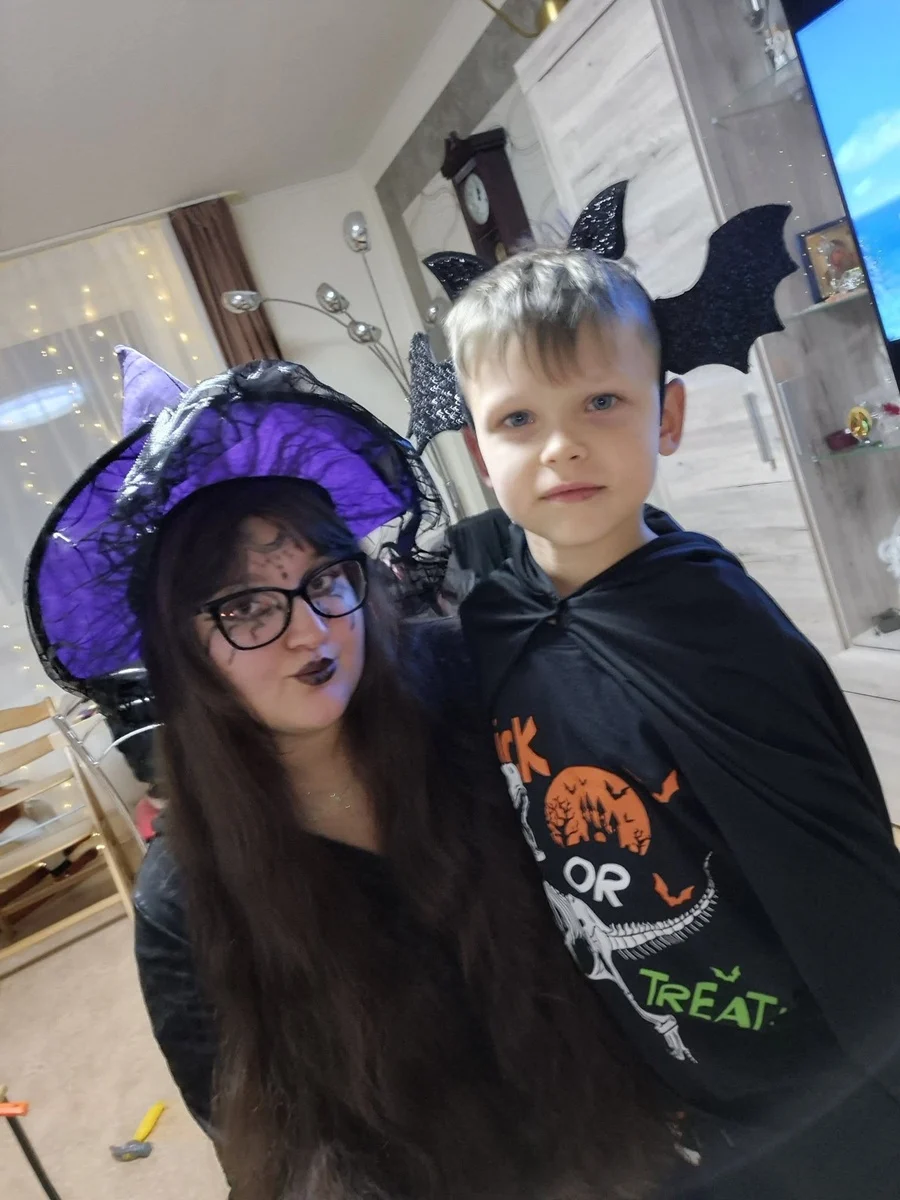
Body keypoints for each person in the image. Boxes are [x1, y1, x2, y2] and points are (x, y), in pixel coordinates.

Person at [23, 351, 673, 1200]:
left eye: (325, 580)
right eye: (246, 606)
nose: (312, 632)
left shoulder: (468, 688)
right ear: (182, 650)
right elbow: (265, 1152)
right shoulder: (186, 902)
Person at [413, 232, 900, 1199]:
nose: (562, 446)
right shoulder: (490, 628)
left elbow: (837, 869)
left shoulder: (719, 624)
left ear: (666, 415)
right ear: (478, 451)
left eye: (602, 402)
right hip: (651, 1077)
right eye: (518, 418)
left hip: (815, 1078)